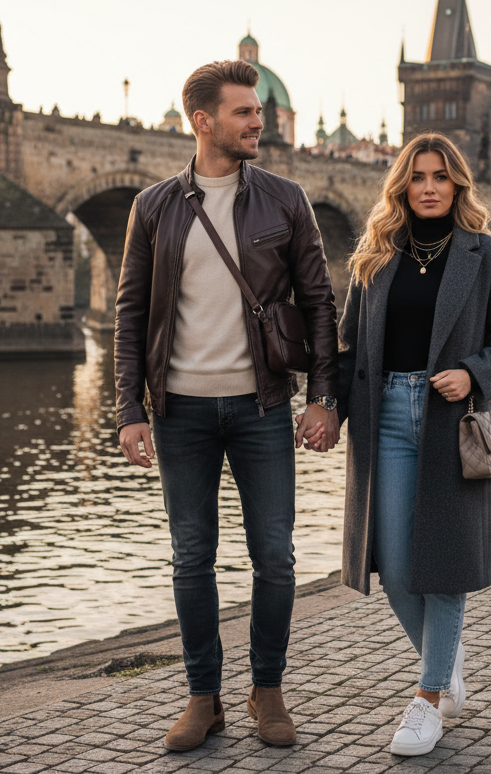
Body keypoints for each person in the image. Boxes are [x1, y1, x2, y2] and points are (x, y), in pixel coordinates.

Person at [114, 59, 339, 752]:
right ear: (203, 121)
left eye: (259, 112)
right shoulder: (153, 206)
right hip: (180, 410)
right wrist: (129, 407)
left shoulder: (286, 199)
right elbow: (130, 312)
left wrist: (324, 397)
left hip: (262, 406)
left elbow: (320, 304)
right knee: (191, 557)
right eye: (244, 113)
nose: (258, 123)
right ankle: (202, 697)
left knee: (275, 557)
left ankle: (266, 690)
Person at [337, 132, 491, 755]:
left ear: (457, 186)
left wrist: (475, 372)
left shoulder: (488, 255)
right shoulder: (375, 254)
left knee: (443, 565)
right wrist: (326, 411)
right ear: (401, 184)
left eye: (440, 177)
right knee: (393, 563)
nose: (428, 187)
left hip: (451, 421)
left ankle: (426, 701)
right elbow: (347, 349)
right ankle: (445, 659)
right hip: (385, 415)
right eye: (418, 176)